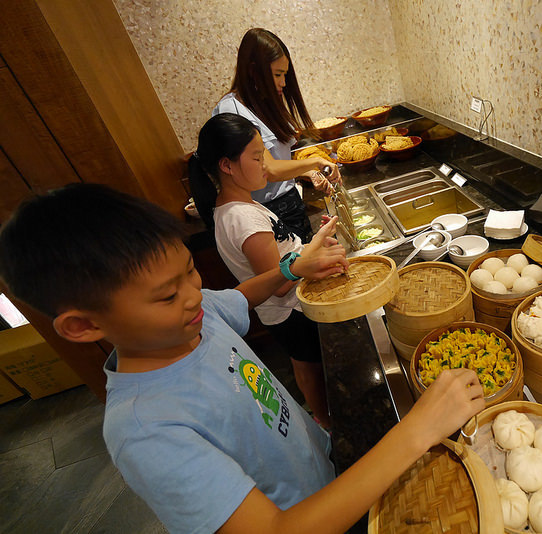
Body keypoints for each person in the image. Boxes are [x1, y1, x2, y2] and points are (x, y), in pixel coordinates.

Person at [0, 183, 485, 534]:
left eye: (191, 272)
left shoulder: (191, 317)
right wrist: (417, 430)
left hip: (329, 475)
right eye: (167, 295)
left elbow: (236, 297)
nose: (193, 296)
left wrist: (293, 267)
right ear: (84, 326)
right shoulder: (147, 430)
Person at [189, 112, 334, 427]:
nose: (266, 166)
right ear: (226, 166)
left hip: (288, 307)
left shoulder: (239, 207)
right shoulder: (243, 220)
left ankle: (323, 416)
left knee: (306, 362)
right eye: (257, 158)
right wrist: (313, 251)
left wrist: (311, 247)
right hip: (287, 310)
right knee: (307, 364)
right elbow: (279, 283)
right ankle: (324, 422)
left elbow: (282, 258)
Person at [213, 28, 337, 243]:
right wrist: (314, 163)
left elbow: (280, 162)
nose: (283, 83)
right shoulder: (232, 110)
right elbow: (268, 169)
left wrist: (307, 173)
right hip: (266, 212)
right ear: (253, 70)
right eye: (277, 74)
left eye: (285, 75)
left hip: (290, 202)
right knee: (293, 270)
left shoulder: (263, 103)